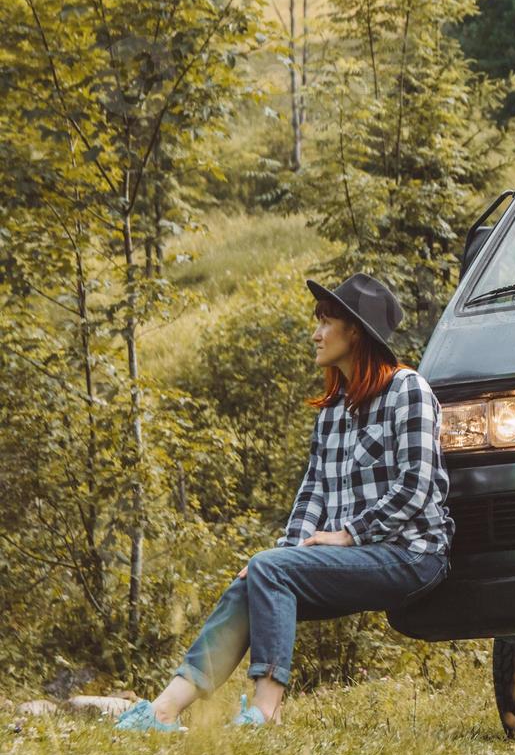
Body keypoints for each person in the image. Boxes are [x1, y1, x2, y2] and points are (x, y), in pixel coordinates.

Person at [116, 273, 454, 730]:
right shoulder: (333, 412)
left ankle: (266, 711)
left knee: (269, 569)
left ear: (355, 331)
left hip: (411, 554)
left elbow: (418, 486)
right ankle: (162, 710)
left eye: (325, 322)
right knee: (252, 580)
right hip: (359, 555)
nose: (315, 334)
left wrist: (346, 535)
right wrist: (274, 557)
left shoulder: (407, 391)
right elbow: (312, 493)